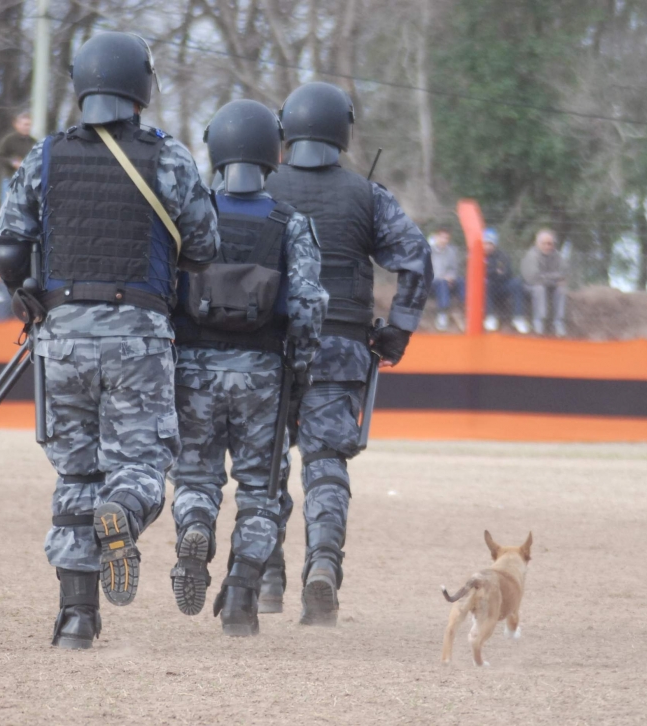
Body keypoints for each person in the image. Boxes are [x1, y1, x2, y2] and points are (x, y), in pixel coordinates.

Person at [0, 31, 219, 650]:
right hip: (137, 336)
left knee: (74, 475)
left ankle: (76, 619)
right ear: (141, 86)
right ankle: (122, 509)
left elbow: (9, 245)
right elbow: (205, 245)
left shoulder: (43, 156)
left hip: (61, 337)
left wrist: (26, 294)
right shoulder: (167, 156)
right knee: (142, 462)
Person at [263, 81, 433, 625]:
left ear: (286, 128)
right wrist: (398, 333)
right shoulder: (367, 195)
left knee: (263, 466)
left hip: (267, 348)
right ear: (342, 131)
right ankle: (324, 568)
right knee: (326, 465)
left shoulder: (260, 186)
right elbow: (416, 258)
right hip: (340, 349)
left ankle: (266, 576)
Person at [169, 99, 327, 637]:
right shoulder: (292, 224)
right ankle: (240, 592)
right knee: (262, 491)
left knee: (195, 475)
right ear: (272, 156)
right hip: (263, 372)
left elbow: (166, 292)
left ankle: (194, 528)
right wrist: (298, 375)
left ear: (216, 152)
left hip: (192, 369)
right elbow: (308, 308)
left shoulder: (192, 218)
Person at [520, 228, 568, 337]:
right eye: (544, 243)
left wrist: (547, 278)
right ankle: (539, 321)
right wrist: (555, 278)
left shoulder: (557, 256)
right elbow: (533, 278)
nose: (547, 246)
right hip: (530, 286)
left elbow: (564, 273)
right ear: (537, 243)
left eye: (550, 243)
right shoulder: (531, 256)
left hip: (550, 285)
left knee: (562, 289)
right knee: (539, 288)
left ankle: (558, 322)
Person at [482, 228, 528, 334]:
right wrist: (495, 271)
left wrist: (488, 271)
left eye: (490, 243)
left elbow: (506, 273)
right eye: (485, 243)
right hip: (489, 288)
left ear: (495, 244)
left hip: (503, 286)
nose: (488, 246)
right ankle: (490, 317)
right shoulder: (477, 255)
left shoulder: (502, 255)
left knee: (517, 282)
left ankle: (518, 317)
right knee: (485, 284)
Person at [0, 112, 37, 202]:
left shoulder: (33, 142)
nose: (27, 127)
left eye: (29, 125)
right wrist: (12, 162)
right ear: (17, 125)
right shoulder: (9, 140)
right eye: (25, 124)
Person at [430, 228, 464, 331]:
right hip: (432, 283)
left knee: (461, 281)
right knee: (442, 282)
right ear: (436, 237)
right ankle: (442, 314)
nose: (444, 240)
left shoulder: (451, 251)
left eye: (446, 238)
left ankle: (465, 306)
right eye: (442, 237)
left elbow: (453, 269)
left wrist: (451, 277)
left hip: (447, 281)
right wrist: (442, 278)